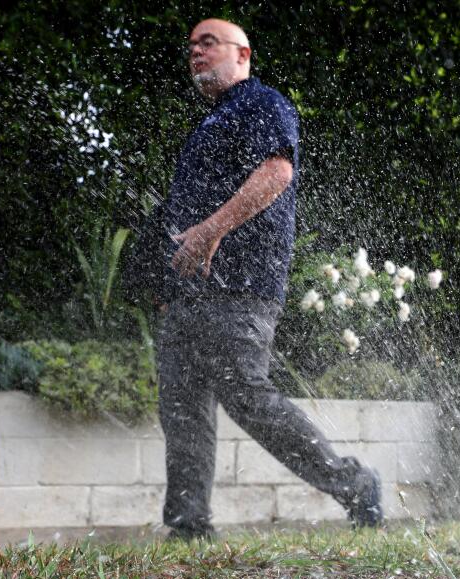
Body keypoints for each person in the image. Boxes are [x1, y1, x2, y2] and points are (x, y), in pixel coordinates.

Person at [154, 18, 380, 540]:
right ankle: (188, 527)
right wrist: (169, 291)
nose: (196, 52)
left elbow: (277, 173)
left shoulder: (262, 103)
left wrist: (211, 232)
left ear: (244, 53)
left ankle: (354, 485)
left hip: (242, 284)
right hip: (189, 292)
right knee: (182, 411)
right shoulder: (208, 124)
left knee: (248, 398)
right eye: (191, 46)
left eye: (208, 43)